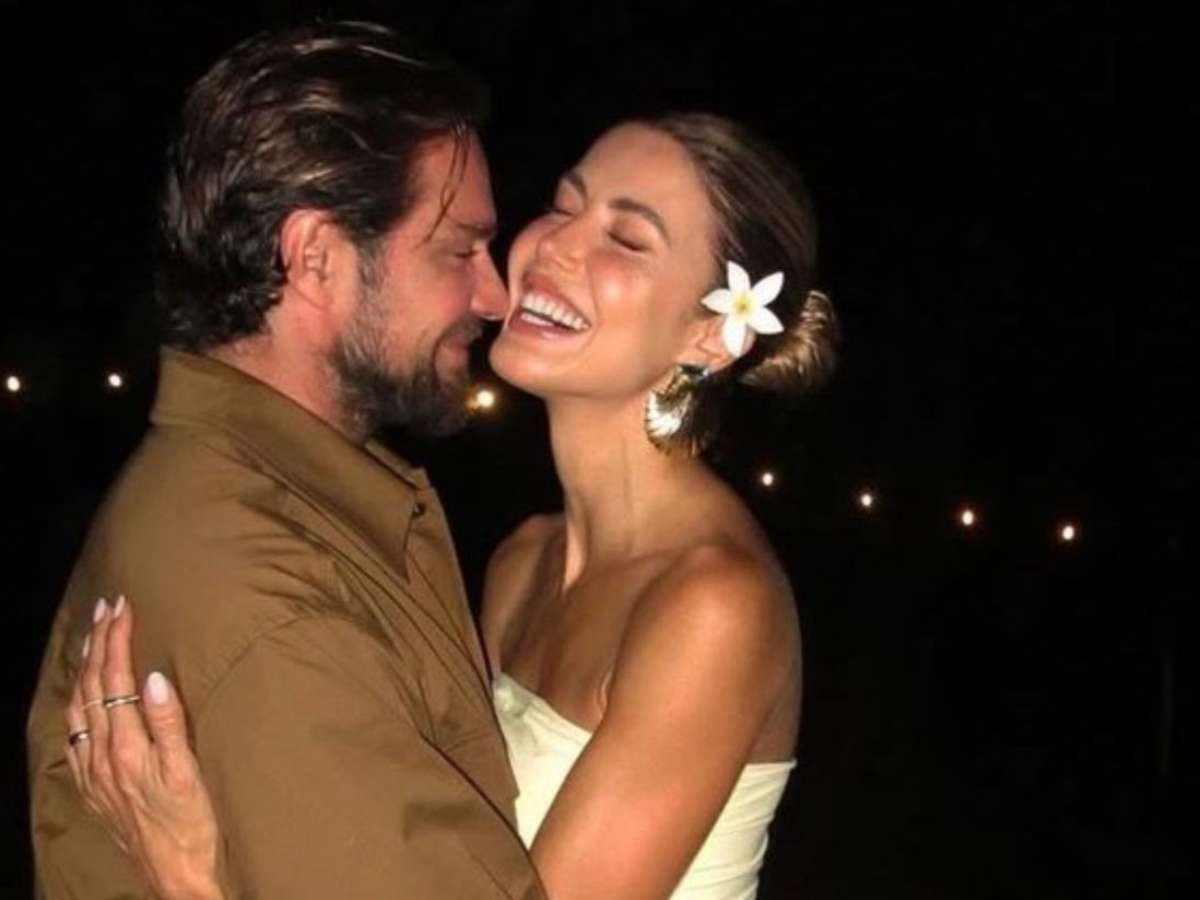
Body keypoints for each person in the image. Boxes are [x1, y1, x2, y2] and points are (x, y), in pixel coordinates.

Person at [63, 110, 840, 899]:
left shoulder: (713, 606)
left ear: (711, 334)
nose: (555, 245)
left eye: (627, 239)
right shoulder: (523, 560)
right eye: (564, 205)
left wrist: (194, 878)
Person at [26, 21, 546, 900]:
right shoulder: (277, 602)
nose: (495, 295)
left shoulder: (262, 497)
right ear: (315, 258)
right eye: (460, 249)